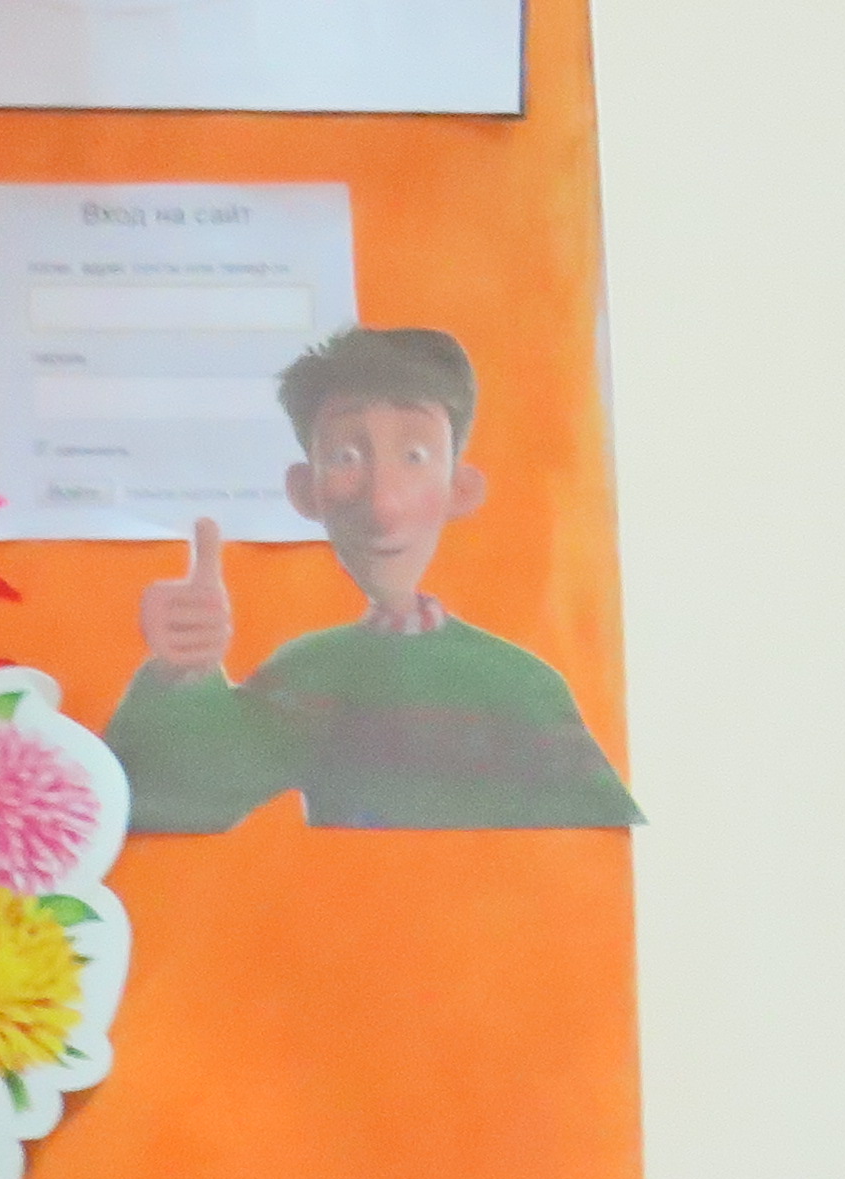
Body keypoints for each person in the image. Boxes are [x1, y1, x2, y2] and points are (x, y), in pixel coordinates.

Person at [109, 326, 637, 836]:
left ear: (460, 488)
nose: (383, 504)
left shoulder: (524, 687)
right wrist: (184, 676)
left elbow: (596, 852)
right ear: (306, 489)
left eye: (415, 456)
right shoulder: (311, 673)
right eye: (345, 457)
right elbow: (169, 801)